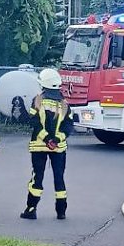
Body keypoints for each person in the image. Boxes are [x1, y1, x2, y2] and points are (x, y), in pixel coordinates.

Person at [20, 68, 74, 220]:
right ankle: (61, 212)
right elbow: (69, 126)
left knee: (37, 176)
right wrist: (57, 139)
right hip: (58, 148)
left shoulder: (38, 100)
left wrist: (46, 139)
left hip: (39, 146)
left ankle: (31, 210)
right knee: (59, 177)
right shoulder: (64, 104)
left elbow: (34, 122)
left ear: (43, 84)